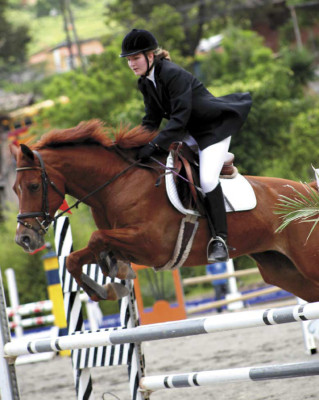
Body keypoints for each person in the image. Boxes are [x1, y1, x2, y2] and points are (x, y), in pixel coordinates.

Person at [120, 28, 252, 263]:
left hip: (211, 130)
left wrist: (154, 144)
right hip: (189, 133)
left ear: (150, 56)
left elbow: (179, 118)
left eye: (135, 58)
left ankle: (220, 239)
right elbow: (151, 119)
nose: (131, 64)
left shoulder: (173, 74)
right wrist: (133, 144)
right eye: (129, 59)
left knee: (208, 180)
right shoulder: (146, 82)